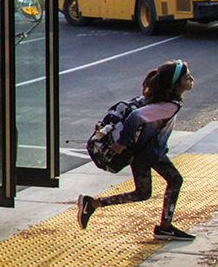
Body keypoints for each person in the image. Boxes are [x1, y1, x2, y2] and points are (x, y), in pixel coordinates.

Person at [77, 60, 194, 240]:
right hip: (148, 154)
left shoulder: (161, 98)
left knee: (144, 192)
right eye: (187, 77)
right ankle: (165, 227)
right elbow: (136, 116)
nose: (192, 79)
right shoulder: (170, 105)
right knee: (173, 180)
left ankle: (92, 204)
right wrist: (121, 143)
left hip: (147, 152)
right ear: (176, 84)